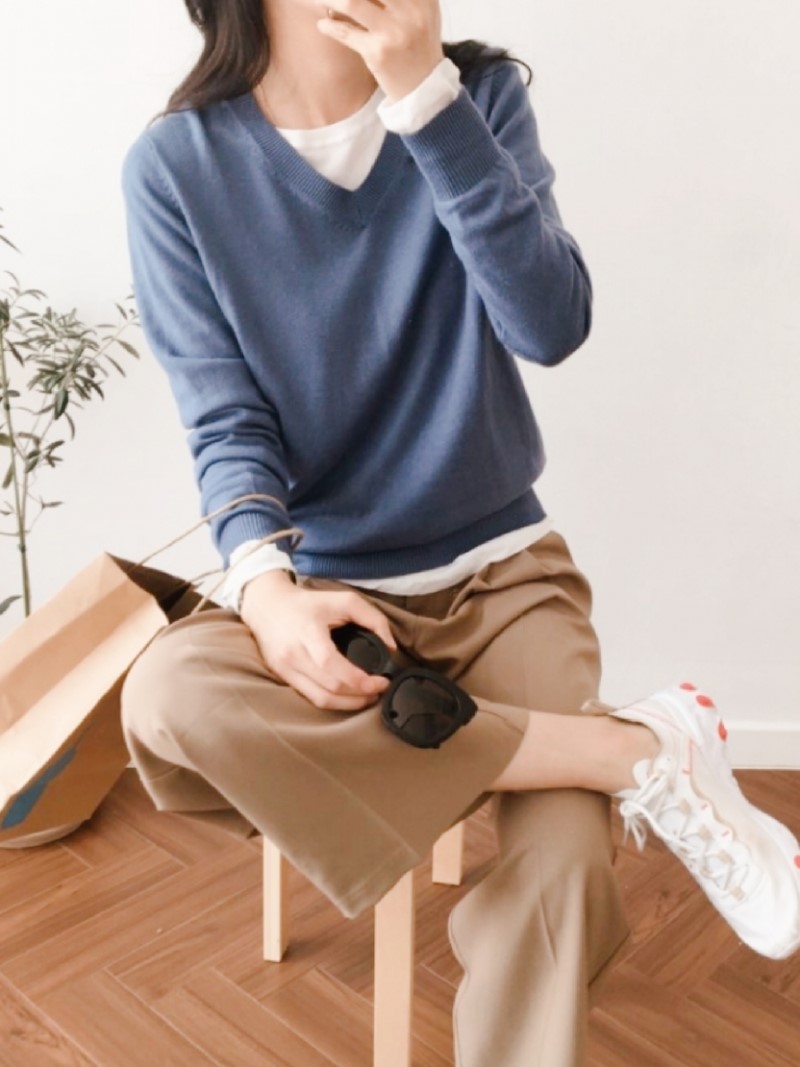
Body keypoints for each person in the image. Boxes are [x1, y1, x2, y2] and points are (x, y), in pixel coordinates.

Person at [118, 0, 800, 1063]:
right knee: (168, 696)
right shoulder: (176, 164)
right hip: (328, 595)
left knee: (562, 866)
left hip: (504, 579)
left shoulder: (475, 98)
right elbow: (223, 416)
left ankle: (554, 765)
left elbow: (549, 326)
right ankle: (634, 748)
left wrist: (427, 104)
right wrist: (265, 589)